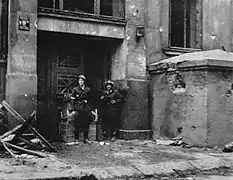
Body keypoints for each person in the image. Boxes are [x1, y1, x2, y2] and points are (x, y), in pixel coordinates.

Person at [71, 75, 92, 144]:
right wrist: (73, 109)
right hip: (78, 107)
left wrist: (90, 108)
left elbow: (90, 99)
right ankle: (76, 139)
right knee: (77, 123)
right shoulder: (75, 89)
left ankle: (85, 139)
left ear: (84, 81)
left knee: (86, 123)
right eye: (80, 80)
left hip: (86, 108)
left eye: (82, 80)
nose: (81, 82)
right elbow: (73, 100)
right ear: (78, 81)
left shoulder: (88, 89)